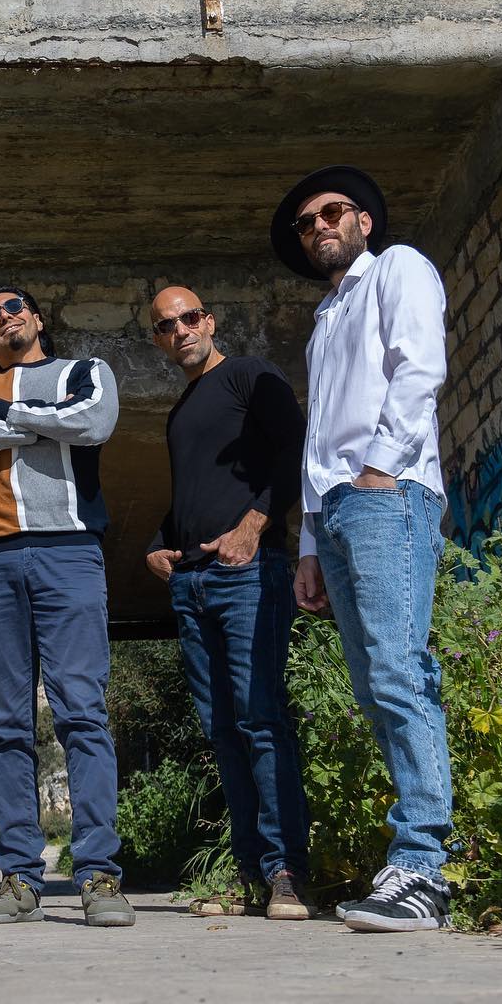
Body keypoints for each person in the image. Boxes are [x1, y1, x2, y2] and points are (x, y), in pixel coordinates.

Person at [272, 165, 454, 932]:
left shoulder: (401, 268)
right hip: (340, 511)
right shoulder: (323, 320)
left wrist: (382, 467)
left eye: (333, 212)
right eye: (307, 222)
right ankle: (415, 858)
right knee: (376, 685)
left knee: (397, 670)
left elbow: (420, 369)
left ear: (365, 222)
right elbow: (317, 443)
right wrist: (310, 541)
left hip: (388, 493)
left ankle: (424, 867)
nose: (319, 226)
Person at [0, 286, 133, 928]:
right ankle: (19, 878)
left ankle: (98, 873)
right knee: (5, 721)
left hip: (70, 552)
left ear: (38, 317)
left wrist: (12, 417)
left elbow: (95, 422)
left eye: (15, 306)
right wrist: (43, 419)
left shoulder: (84, 373)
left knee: (82, 710)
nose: (6, 317)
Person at [145, 285, 313, 920]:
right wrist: (160, 544)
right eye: (166, 326)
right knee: (222, 730)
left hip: (246, 573)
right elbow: (195, 492)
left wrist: (255, 525)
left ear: (209, 321)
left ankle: (287, 875)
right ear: (159, 340)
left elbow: (295, 452)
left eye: (190, 318)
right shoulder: (180, 409)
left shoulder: (247, 375)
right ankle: (248, 875)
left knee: (260, 720)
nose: (181, 330)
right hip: (191, 582)